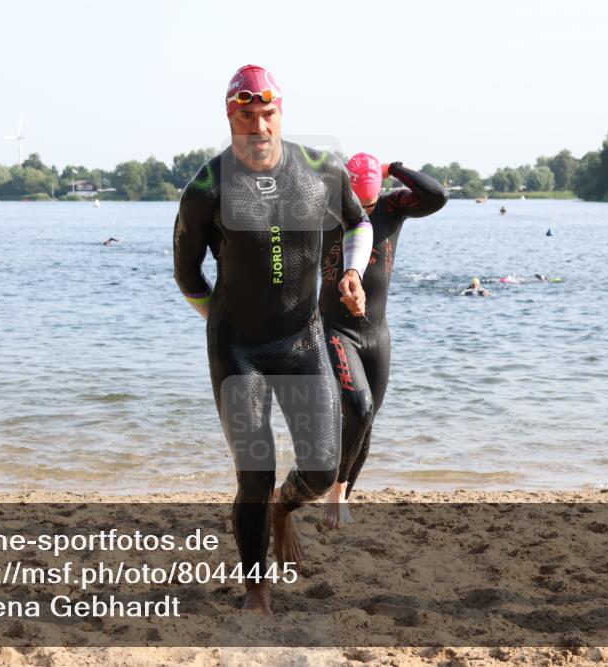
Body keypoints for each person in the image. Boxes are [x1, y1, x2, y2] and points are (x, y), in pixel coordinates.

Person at [172, 64, 373, 614]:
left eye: (268, 114)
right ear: (229, 116)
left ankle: (285, 508)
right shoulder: (206, 188)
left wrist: (352, 273)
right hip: (238, 350)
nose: (258, 127)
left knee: (323, 468)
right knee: (254, 474)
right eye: (246, 117)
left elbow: (358, 223)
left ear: (280, 112)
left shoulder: (322, 169)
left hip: (301, 339)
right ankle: (256, 590)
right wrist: (223, 324)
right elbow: (187, 276)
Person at [319, 153, 447, 528]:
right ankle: (334, 490)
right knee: (358, 409)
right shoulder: (327, 210)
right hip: (335, 329)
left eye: (369, 203)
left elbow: (437, 196)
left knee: (366, 421)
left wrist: (394, 169)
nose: (364, 211)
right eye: (357, 202)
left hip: (376, 334)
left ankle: (342, 494)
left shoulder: (392, 207)